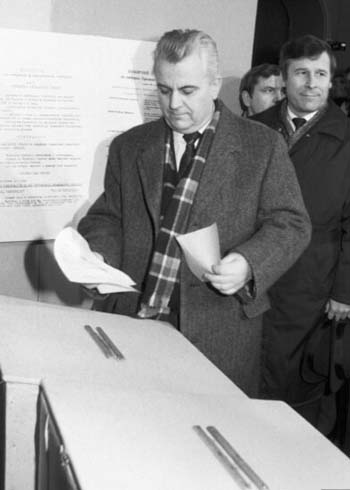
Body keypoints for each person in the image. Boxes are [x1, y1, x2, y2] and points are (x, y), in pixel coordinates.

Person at [78, 29, 311, 397]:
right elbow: (108, 217)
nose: (173, 104)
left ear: (214, 84)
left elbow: (292, 224)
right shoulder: (129, 146)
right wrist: (97, 257)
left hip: (220, 335)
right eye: (164, 89)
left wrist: (249, 262)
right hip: (134, 322)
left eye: (187, 91)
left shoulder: (262, 146)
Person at [252, 34, 350, 431]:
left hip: (314, 281)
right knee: (252, 373)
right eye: (302, 73)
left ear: (331, 81)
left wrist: (345, 291)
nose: (312, 83)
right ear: (285, 78)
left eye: (321, 74)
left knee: (300, 386)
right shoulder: (253, 130)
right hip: (256, 271)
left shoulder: (346, 138)